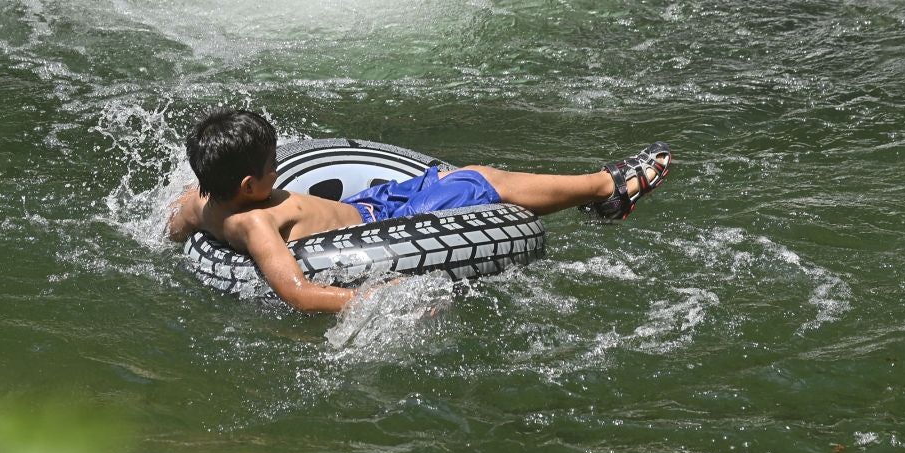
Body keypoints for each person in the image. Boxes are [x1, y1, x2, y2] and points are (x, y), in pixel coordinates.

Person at [168, 109, 671, 314]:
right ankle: (606, 188)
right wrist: (382, 297)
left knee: (459, 178)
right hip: (381, 226)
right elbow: (296, 292)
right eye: (274, 166)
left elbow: (174, 227)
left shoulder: (200, 203)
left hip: (365, 207)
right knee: (480, 179)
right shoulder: (257, 223)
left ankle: (601, 189)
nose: (280, 169)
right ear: (250, 185)